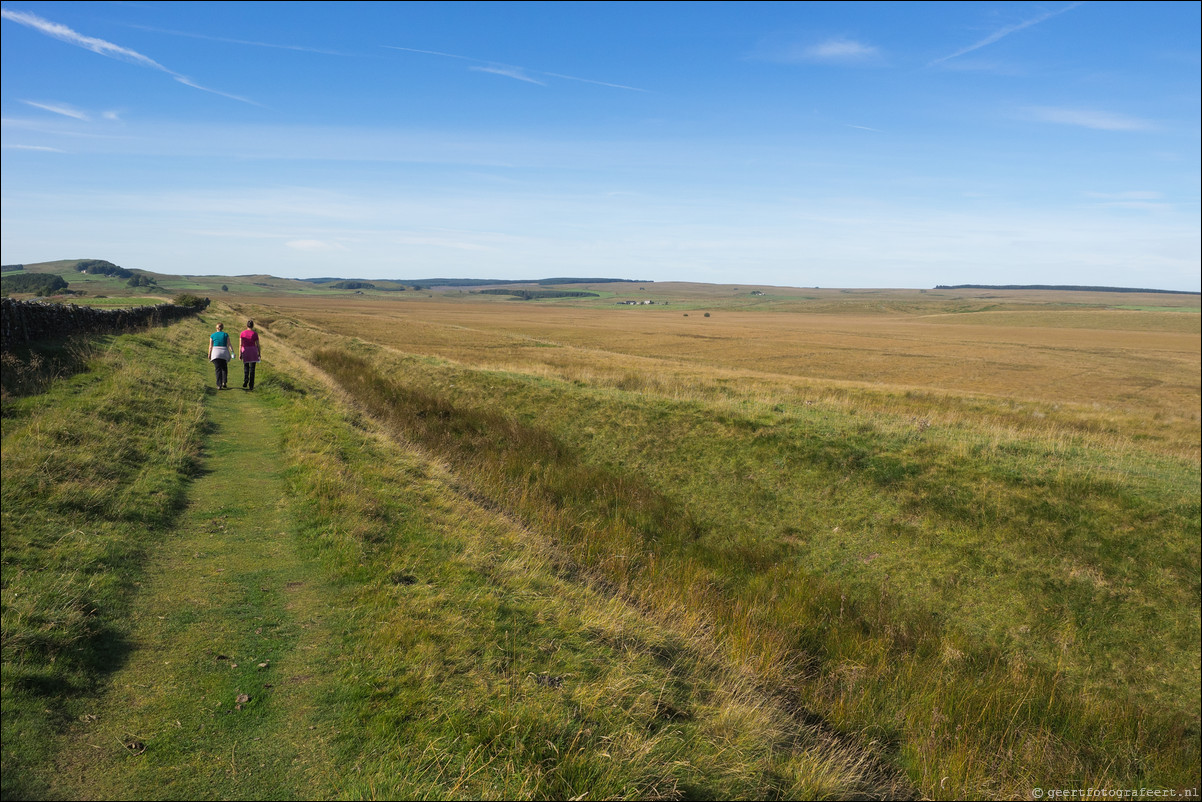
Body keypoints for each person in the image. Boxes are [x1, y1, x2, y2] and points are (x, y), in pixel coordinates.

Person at [239, 319, 261, 390]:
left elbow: (240, 344)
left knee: (246, 367)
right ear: (253, 326)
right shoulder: (255, 334)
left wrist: (240, 353)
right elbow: (258, 345)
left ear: (246, 325)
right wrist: (259, 353)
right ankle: (251, 385)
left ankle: (246, 379)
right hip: (253, 351)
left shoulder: (242, 333)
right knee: (252, 369)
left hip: (245, 350)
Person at [209, 323, 232, 389]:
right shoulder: (225, 334)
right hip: (224, 352)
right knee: (224, 368)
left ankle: (219, 385)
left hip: (216, 352)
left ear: (216, 328)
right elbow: (229, 344)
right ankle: (224, 382)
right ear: (222, 328)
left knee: (218, 369)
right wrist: (232, 351)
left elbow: (210, 346)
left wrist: (209, 354)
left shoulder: (212, 335)